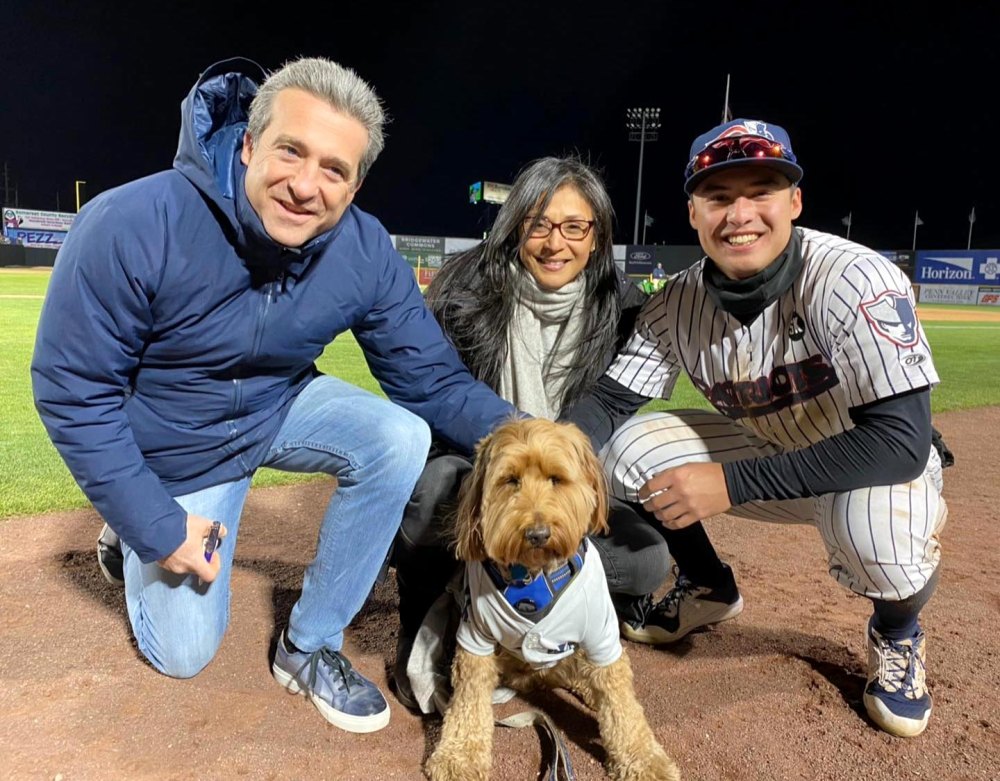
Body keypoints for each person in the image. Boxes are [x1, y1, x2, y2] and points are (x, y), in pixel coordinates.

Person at [30, 56, 519, 735]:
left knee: (397, 436)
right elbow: (75, 392)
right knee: (183, 654)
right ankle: (131, 529)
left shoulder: (364, 249)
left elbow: (429, 380)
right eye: (292, 150)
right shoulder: (131, 221)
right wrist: (156, 524)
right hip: (177, 442)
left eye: (334, 169)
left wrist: (524, 434)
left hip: (274, 407)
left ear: (354, 187)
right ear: (252, 143)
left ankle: (309, 646)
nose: (306, 184)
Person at [598, 118, 947, 739]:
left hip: (872, 466)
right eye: (719, 197)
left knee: (874, 532)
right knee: (624, 451)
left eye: (760, 191)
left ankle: (896, 632)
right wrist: (521, 450)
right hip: (772, 451)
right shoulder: (674, 303)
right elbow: (609, 401)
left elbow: (899, 441)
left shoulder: (851, 277)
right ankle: (708, 587)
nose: (740, 214)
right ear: (694, 212)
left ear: (795, 201)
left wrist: (730, 483)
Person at [390, 156, 670, 710]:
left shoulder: (624, 311)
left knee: (648, 561)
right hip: (481, 477)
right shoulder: (464, 293)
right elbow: (432, 398)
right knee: (435, 489)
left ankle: (551, 612)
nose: (553, 242)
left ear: (597, 238)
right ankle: (425, 617)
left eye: (574, 226)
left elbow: (642, 381)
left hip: (563, 490)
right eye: (538, 224)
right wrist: (509, 450)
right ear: (516, 227)